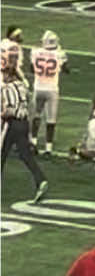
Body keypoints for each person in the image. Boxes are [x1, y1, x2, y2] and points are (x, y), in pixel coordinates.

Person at [1, 58, 47, 198]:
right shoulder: (22, 86)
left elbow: (9, 110)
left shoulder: (7, 88)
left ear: (9, 75)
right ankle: (41, 180)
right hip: (24, 123)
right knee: (26, 155)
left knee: (2, 154)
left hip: (12, 124)